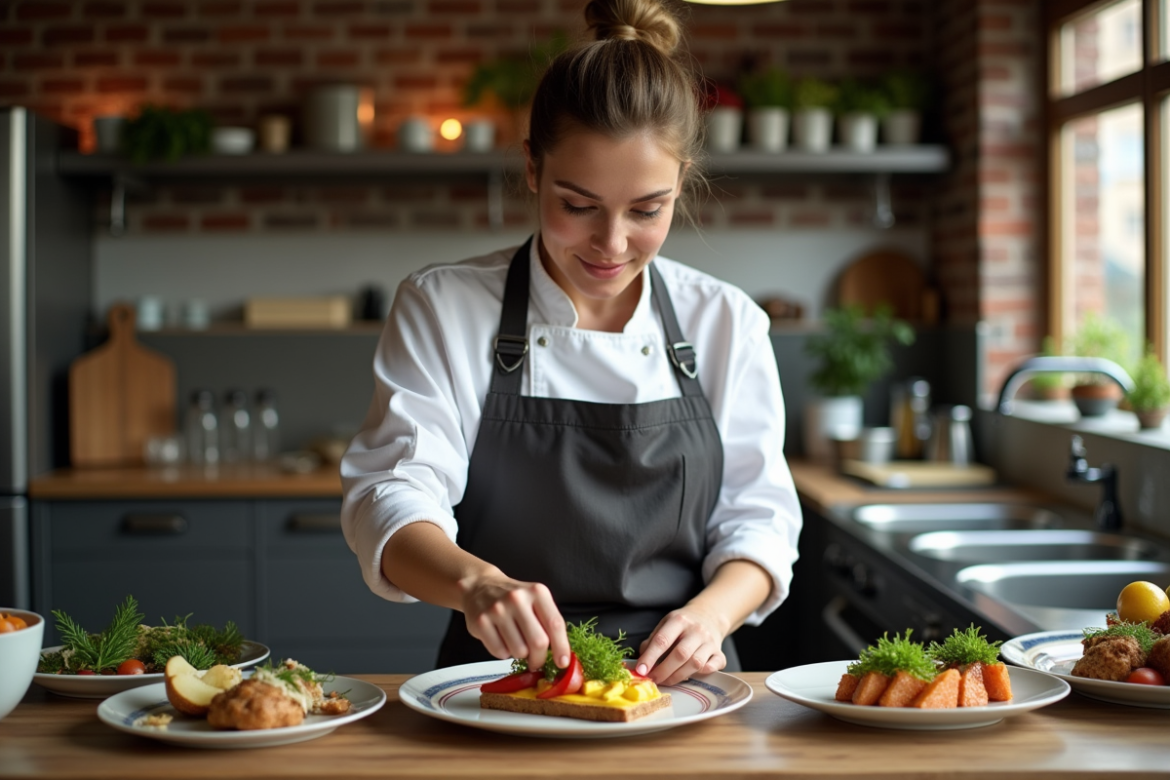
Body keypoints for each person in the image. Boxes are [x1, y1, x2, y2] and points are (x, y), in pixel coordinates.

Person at [340, 0, 801, 686]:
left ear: (681, 185)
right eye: (577, 204)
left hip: (682, 685)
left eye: (648, 209)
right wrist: (475, 585)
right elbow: (392, 496)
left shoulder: (726, 321)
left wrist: (709, 617)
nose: (612, 245)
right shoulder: (445, 305)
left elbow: (759, 520)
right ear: (532, 168)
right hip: (498, 683)